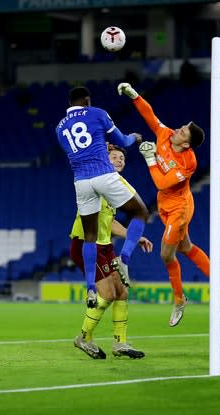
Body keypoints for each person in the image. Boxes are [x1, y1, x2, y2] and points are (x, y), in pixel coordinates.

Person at [118, 82, 220, 327]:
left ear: (186, 143)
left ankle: (179, 299)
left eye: (183, 132)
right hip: (165, 205)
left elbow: (163, 183)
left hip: (179, 208)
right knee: (186, 247)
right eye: (182, 127)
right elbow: (150, 116)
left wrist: (149, 159)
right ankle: (219, 280)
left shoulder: (189, 162)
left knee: (166, 254)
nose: (178, 129)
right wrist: (135, 95)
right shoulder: (165, 136)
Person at [55, 86, 149, 310]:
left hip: (81, 181)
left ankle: (89, 287)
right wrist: (134, 137)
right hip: (103, 174)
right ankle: (124, 259)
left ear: (70, 103)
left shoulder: (59, 128)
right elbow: (123, 141)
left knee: (90, 236)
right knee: (140, 212)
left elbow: (78, 151)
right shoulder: (97, 113)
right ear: (87, 100)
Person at [71, 145, 152, 360]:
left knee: (122, 293)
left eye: (122, 159)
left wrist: (134, 236)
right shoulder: (95, 180)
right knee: (107, 293)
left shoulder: (113, 188)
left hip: (105, 244)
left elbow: (111, 220)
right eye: (114, 157)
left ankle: (120, 343)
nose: (119, 160)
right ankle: (84, 338)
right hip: (86, 243)